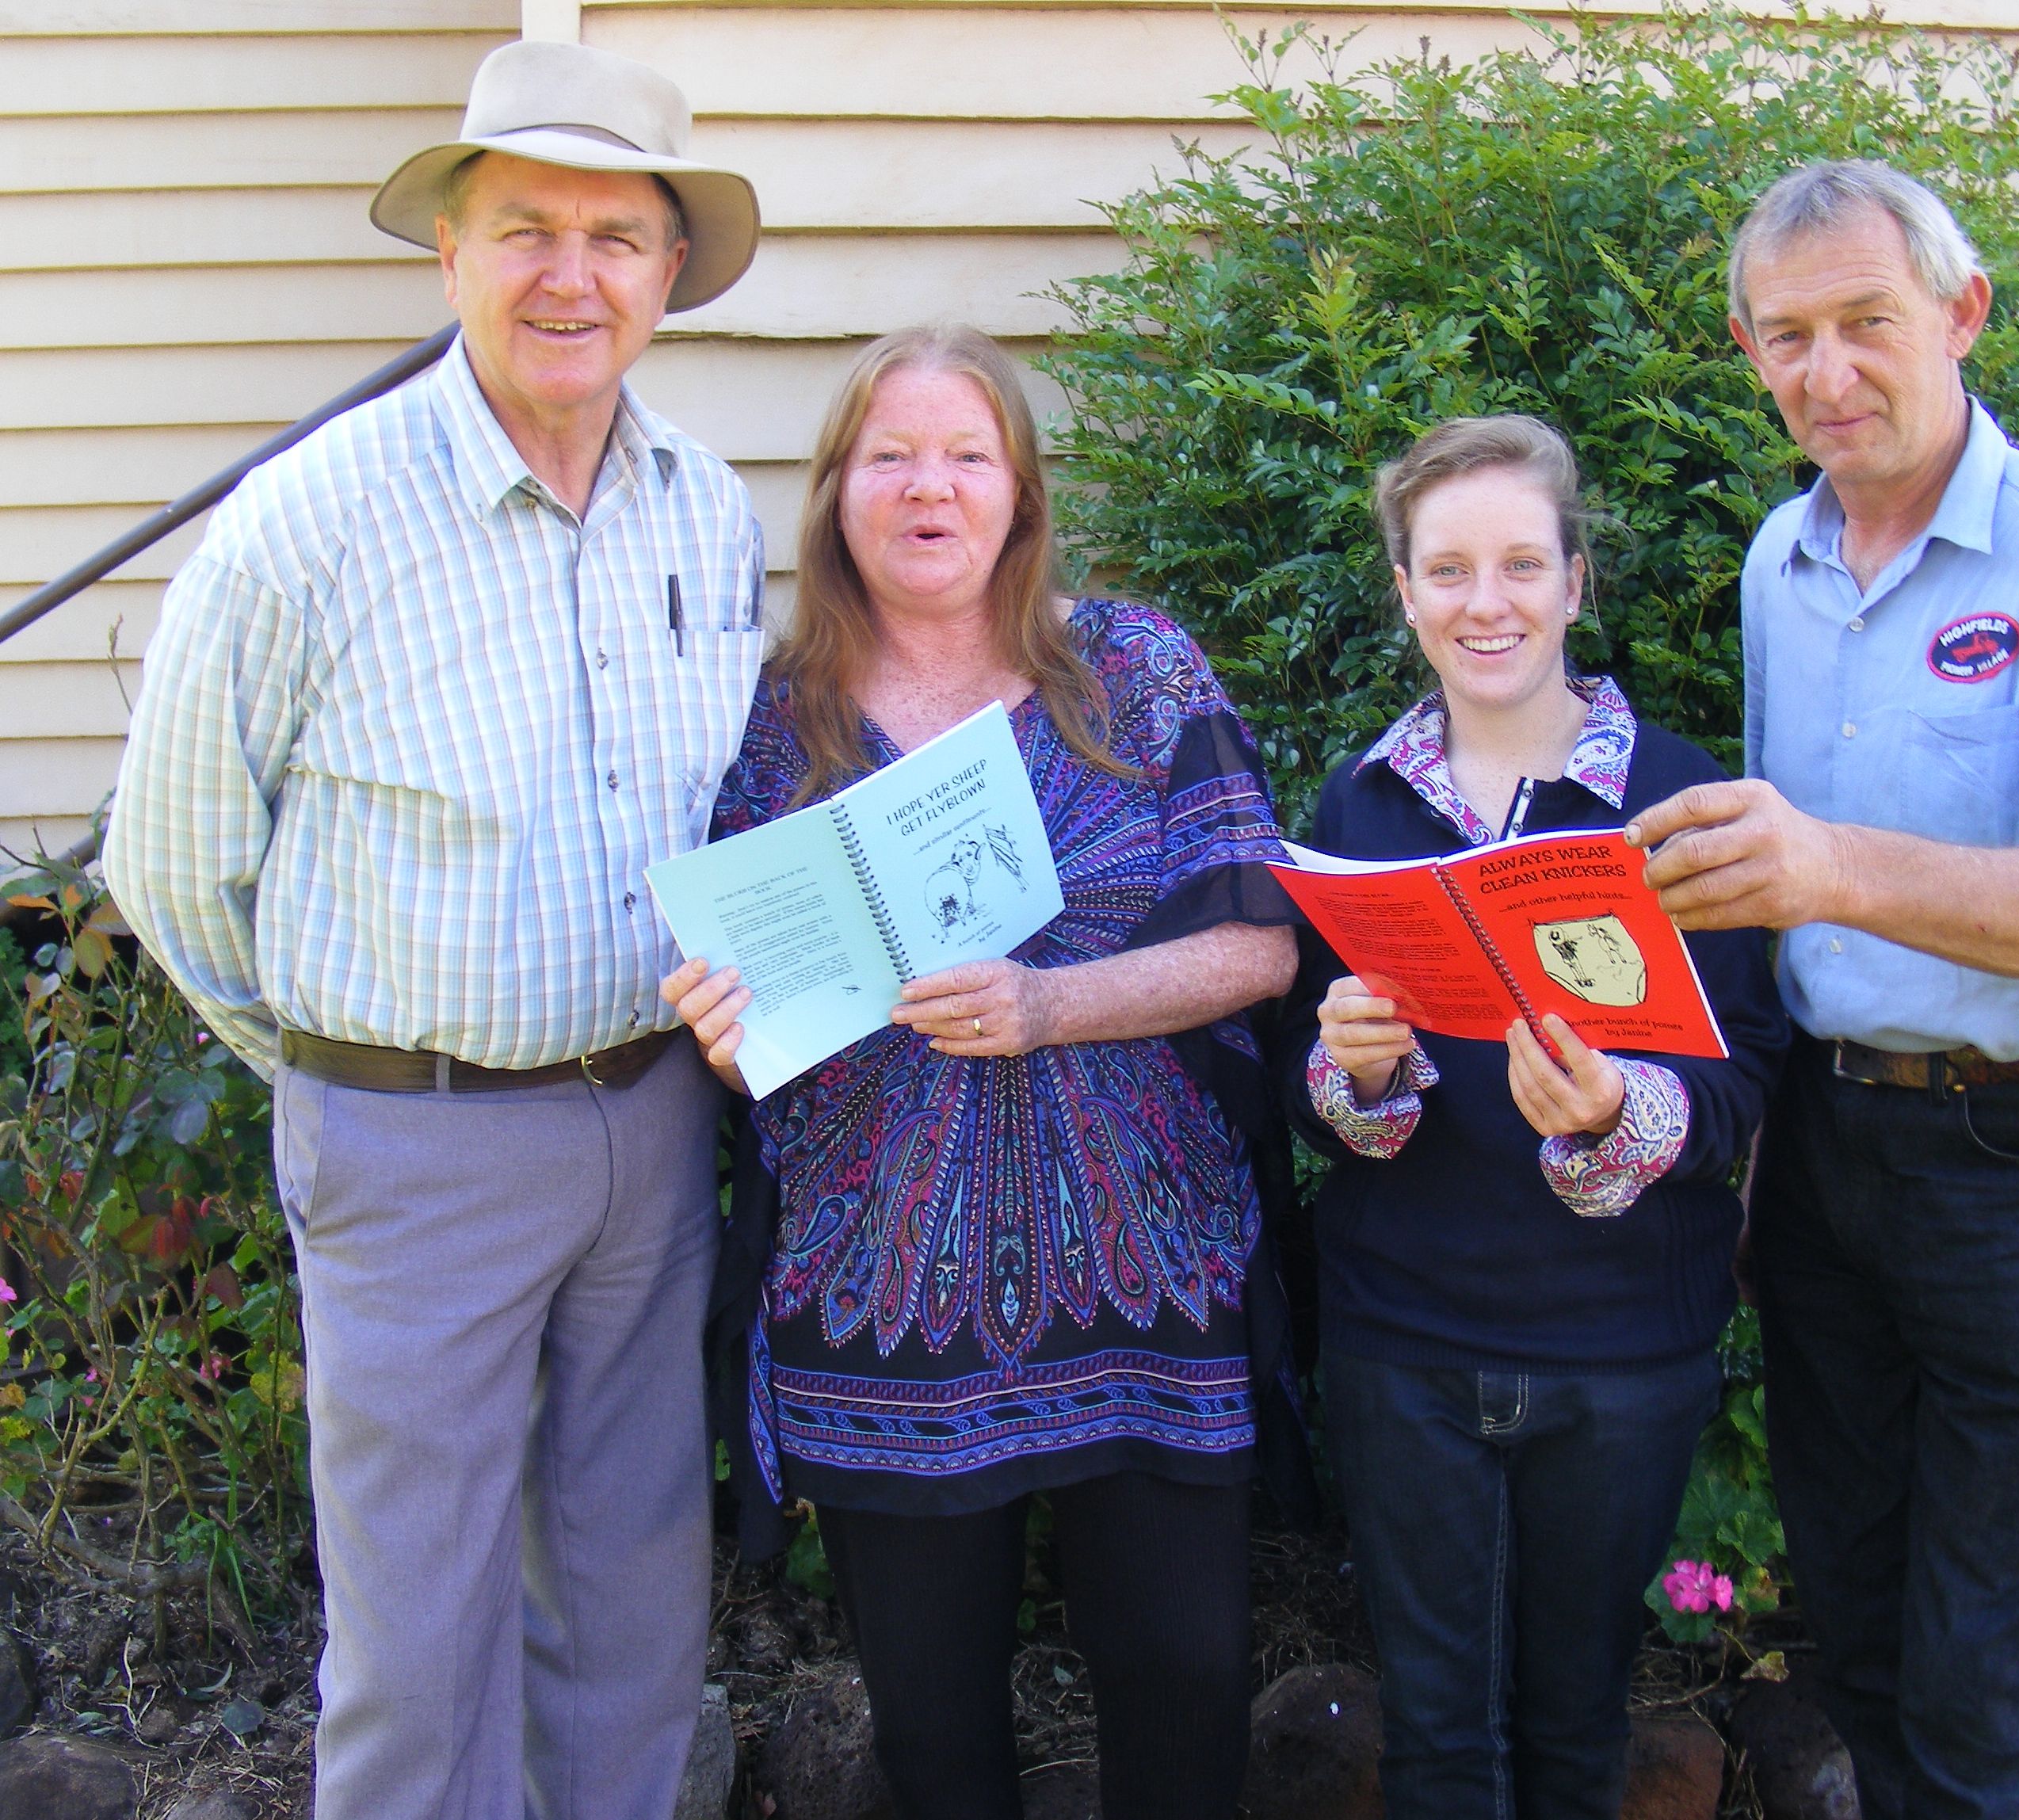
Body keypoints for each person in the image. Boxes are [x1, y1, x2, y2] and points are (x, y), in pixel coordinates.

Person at [103, 41, 766, 1820]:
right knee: (416, 1642)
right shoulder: (304, 529)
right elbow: (168, 869)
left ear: (671, 271)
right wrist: (357, 1080)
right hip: (415, 1142)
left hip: (651, 1124)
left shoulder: (703, 505)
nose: (573, 276)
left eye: (616, 237)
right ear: (449, 257)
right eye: (526, 229)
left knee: (631, 1600)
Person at [1628, 160, 2019, 1820]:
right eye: (1785, 336)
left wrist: (1831, 871)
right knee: (1858, 1637)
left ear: (1959, 316)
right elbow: (1775, 906)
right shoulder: (1774, 559)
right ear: (1745, 350)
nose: (1826, 373)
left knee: (1981, 1663)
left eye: (1865, 323)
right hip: (1825, 1142)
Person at [666, 324, 1303, 1820]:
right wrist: (717, 1017)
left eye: (967, 455)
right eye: (890, 456)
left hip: (1148, 1288)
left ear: (1022, 490)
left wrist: (1051, 1001)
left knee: (1187, 1701)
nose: (928, 488)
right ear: (835, 493)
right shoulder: (777, 723)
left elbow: (1261, 942)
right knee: (939, 1744)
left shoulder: (1134, 672)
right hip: (884, 1303)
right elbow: (736, 1002)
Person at [1273, 415, 1791, 1819]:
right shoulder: (1359, 802)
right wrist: (1356, 1071)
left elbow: (1750, 1083)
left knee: (1575, 1735)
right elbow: (1314, 1102)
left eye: (1518, 563)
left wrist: (1624, 1105)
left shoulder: (1681, 800)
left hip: (1621, 1346)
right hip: (1406, 1343)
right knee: (1436, 1742)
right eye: (1446, 569)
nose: (1483, 602)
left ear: (1576, 580)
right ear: (1405, 592)